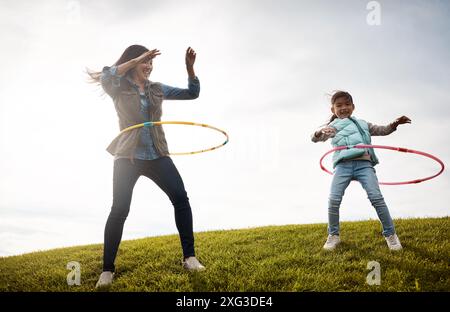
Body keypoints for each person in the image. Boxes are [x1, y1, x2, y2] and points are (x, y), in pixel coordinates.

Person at [88, 45, 205, 288]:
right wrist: (135, 59)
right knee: (119, 210)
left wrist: (190, 69)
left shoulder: (157, 89)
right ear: (134, 62)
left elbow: (192, 94)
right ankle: (107, 270)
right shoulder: (117, 87)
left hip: (157, 153)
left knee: (181, 198)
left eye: (151, 63)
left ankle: (190, 257)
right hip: (127, 156)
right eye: (145, 62)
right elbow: (108, 75)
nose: (149, 66)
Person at [311, 91, 411, 251]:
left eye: (347, 104)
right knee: (334, 199)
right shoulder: (332, 127)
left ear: (353, 107)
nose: (343, 108)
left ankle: (391, 235)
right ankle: (333, 236)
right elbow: (316, 138)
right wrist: (318, 133)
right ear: (333, 110)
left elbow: (382, 130)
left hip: (364, 164)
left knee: (376, 197)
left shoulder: (363, 124)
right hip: (342, 165)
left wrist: (394, 124)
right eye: (339, 105)